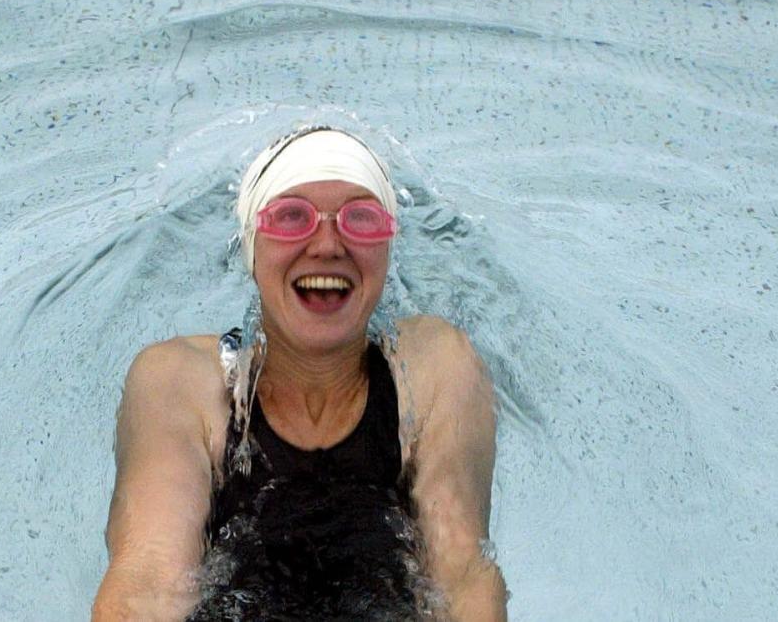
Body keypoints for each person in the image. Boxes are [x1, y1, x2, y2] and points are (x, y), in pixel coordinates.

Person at [92, 126, 507, 621]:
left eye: (361, 218)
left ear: (387, 248)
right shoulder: (183, 384)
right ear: (253, 246)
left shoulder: (432, 368)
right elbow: (150, 580)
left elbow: (459, 574)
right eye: (291, 218)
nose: (328, 244)